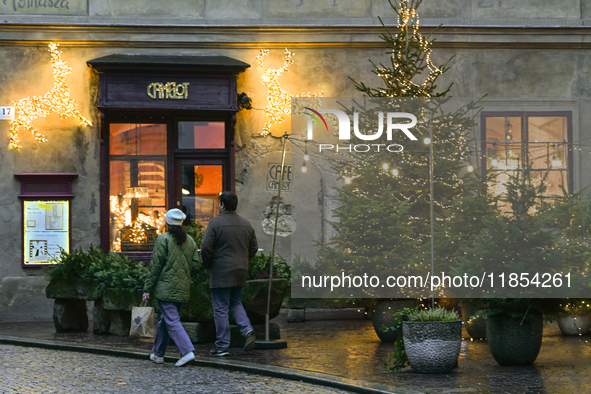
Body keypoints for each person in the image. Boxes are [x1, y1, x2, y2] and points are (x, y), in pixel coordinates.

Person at [200, 191, 259, 356]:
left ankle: (222, 346)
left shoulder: (215, 223)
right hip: (241, 271)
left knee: (220, 308)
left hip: (220, 271)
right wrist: (244, 261)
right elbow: (253, 248)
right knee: (235, 302)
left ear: (222, 205)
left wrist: (207, 264)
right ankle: (247, 330)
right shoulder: (246, 224)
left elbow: (205, 248)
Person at [142, 208, 199, 367]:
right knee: (165, 321)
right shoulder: (191, 241)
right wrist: (184, 275)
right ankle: (158, 354)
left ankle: (187, 351)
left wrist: (147, 288)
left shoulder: (163, 239)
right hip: (182, 287)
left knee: (172, 321)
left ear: (167, 222)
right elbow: (196, 265)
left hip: (165, 288)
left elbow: (155, 267)